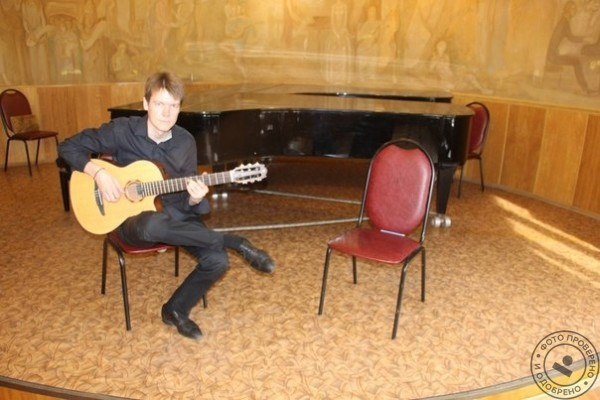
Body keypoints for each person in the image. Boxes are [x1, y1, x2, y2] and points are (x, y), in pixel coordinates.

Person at [58, 71, 275, 340]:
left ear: (180, 108)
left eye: (173, 105)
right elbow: (67, 147)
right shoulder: (122, 131)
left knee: (217, 260)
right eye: (159, 104)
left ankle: (175, 310)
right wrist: (98, 173)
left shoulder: (185, 142)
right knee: (152, 223)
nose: (166, 113)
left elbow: (187, 197)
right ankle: (234, 241)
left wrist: (195, 197)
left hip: (175, 215)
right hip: (130, 222)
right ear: (146, 104)